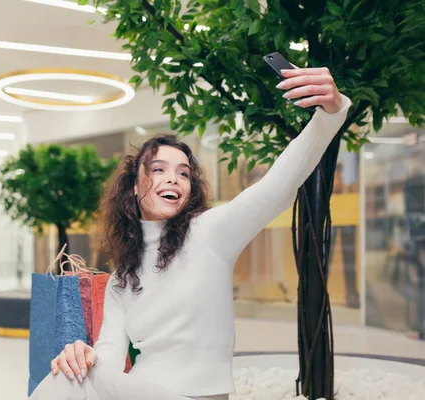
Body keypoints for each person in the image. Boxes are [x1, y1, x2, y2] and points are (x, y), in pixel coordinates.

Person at [30, 67, 352, 399]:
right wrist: (83, 355)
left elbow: (277, 188)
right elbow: (110, 356)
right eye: (158, 170)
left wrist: (329, 116)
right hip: (141, 389)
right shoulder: (121, 277)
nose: (173, 178)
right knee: (69, 375)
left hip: (197, 395)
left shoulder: (209, 234)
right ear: (133, 186)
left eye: (183, 173)